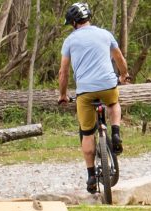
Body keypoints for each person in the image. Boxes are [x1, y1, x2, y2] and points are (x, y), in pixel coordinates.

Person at [57, 2, 130, 195]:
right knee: (114, 104)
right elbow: (119, 59)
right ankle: (115, 132)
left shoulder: (70, 41)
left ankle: (90, 176)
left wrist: (63, 95)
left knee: (87, 132)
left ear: (73, 22)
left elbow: (63, 72)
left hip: (85, 92)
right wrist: (124, 75)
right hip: (107, 85)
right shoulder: (105, 34)